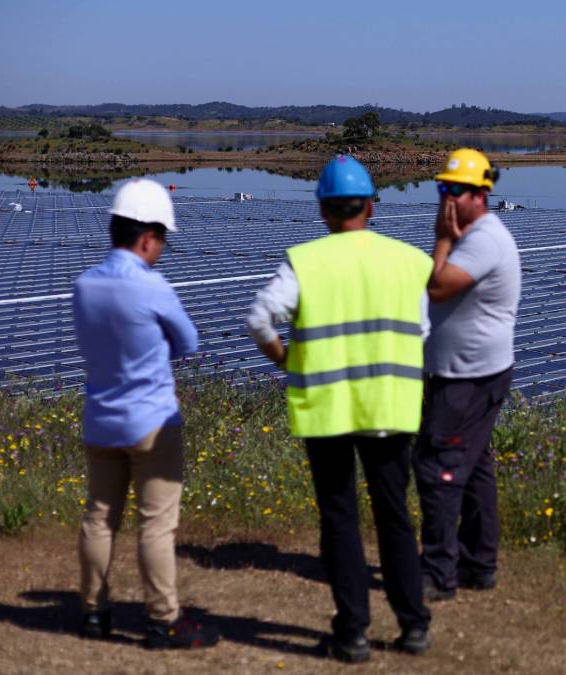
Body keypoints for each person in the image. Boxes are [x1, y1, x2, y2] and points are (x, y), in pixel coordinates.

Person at [246, 155, 432, 664]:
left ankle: (352, 634)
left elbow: (259, 318)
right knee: (395, 516)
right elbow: (422, 332)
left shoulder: (305, 262)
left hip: (327, 410)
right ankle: (414, 624)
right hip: (390, 408)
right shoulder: (410, 261)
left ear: (323, 210)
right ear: (371, 206)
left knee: (340, 517)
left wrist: (285, 358)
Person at [72, 179, 220, 649]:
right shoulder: (152, 287)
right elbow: (189, 342)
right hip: (152, 423)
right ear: (148, 238)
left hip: (100, 419)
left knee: (99, 519)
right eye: (162, 241)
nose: (162, 250)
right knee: (156, 525)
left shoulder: (84, 285)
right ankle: (163, 620)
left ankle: (94, 613)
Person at [416, 148, 521, 601]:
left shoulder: (482, 240)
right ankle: (479, 564)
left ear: (481, 194)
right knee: (475, 468)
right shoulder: (473, 236)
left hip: (469, 378)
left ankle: (438, 572)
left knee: (437, 465)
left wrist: (441, 239)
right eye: (444, 187)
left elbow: (437, 288)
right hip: (469, 373)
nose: (448, 198)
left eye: (457, 190)